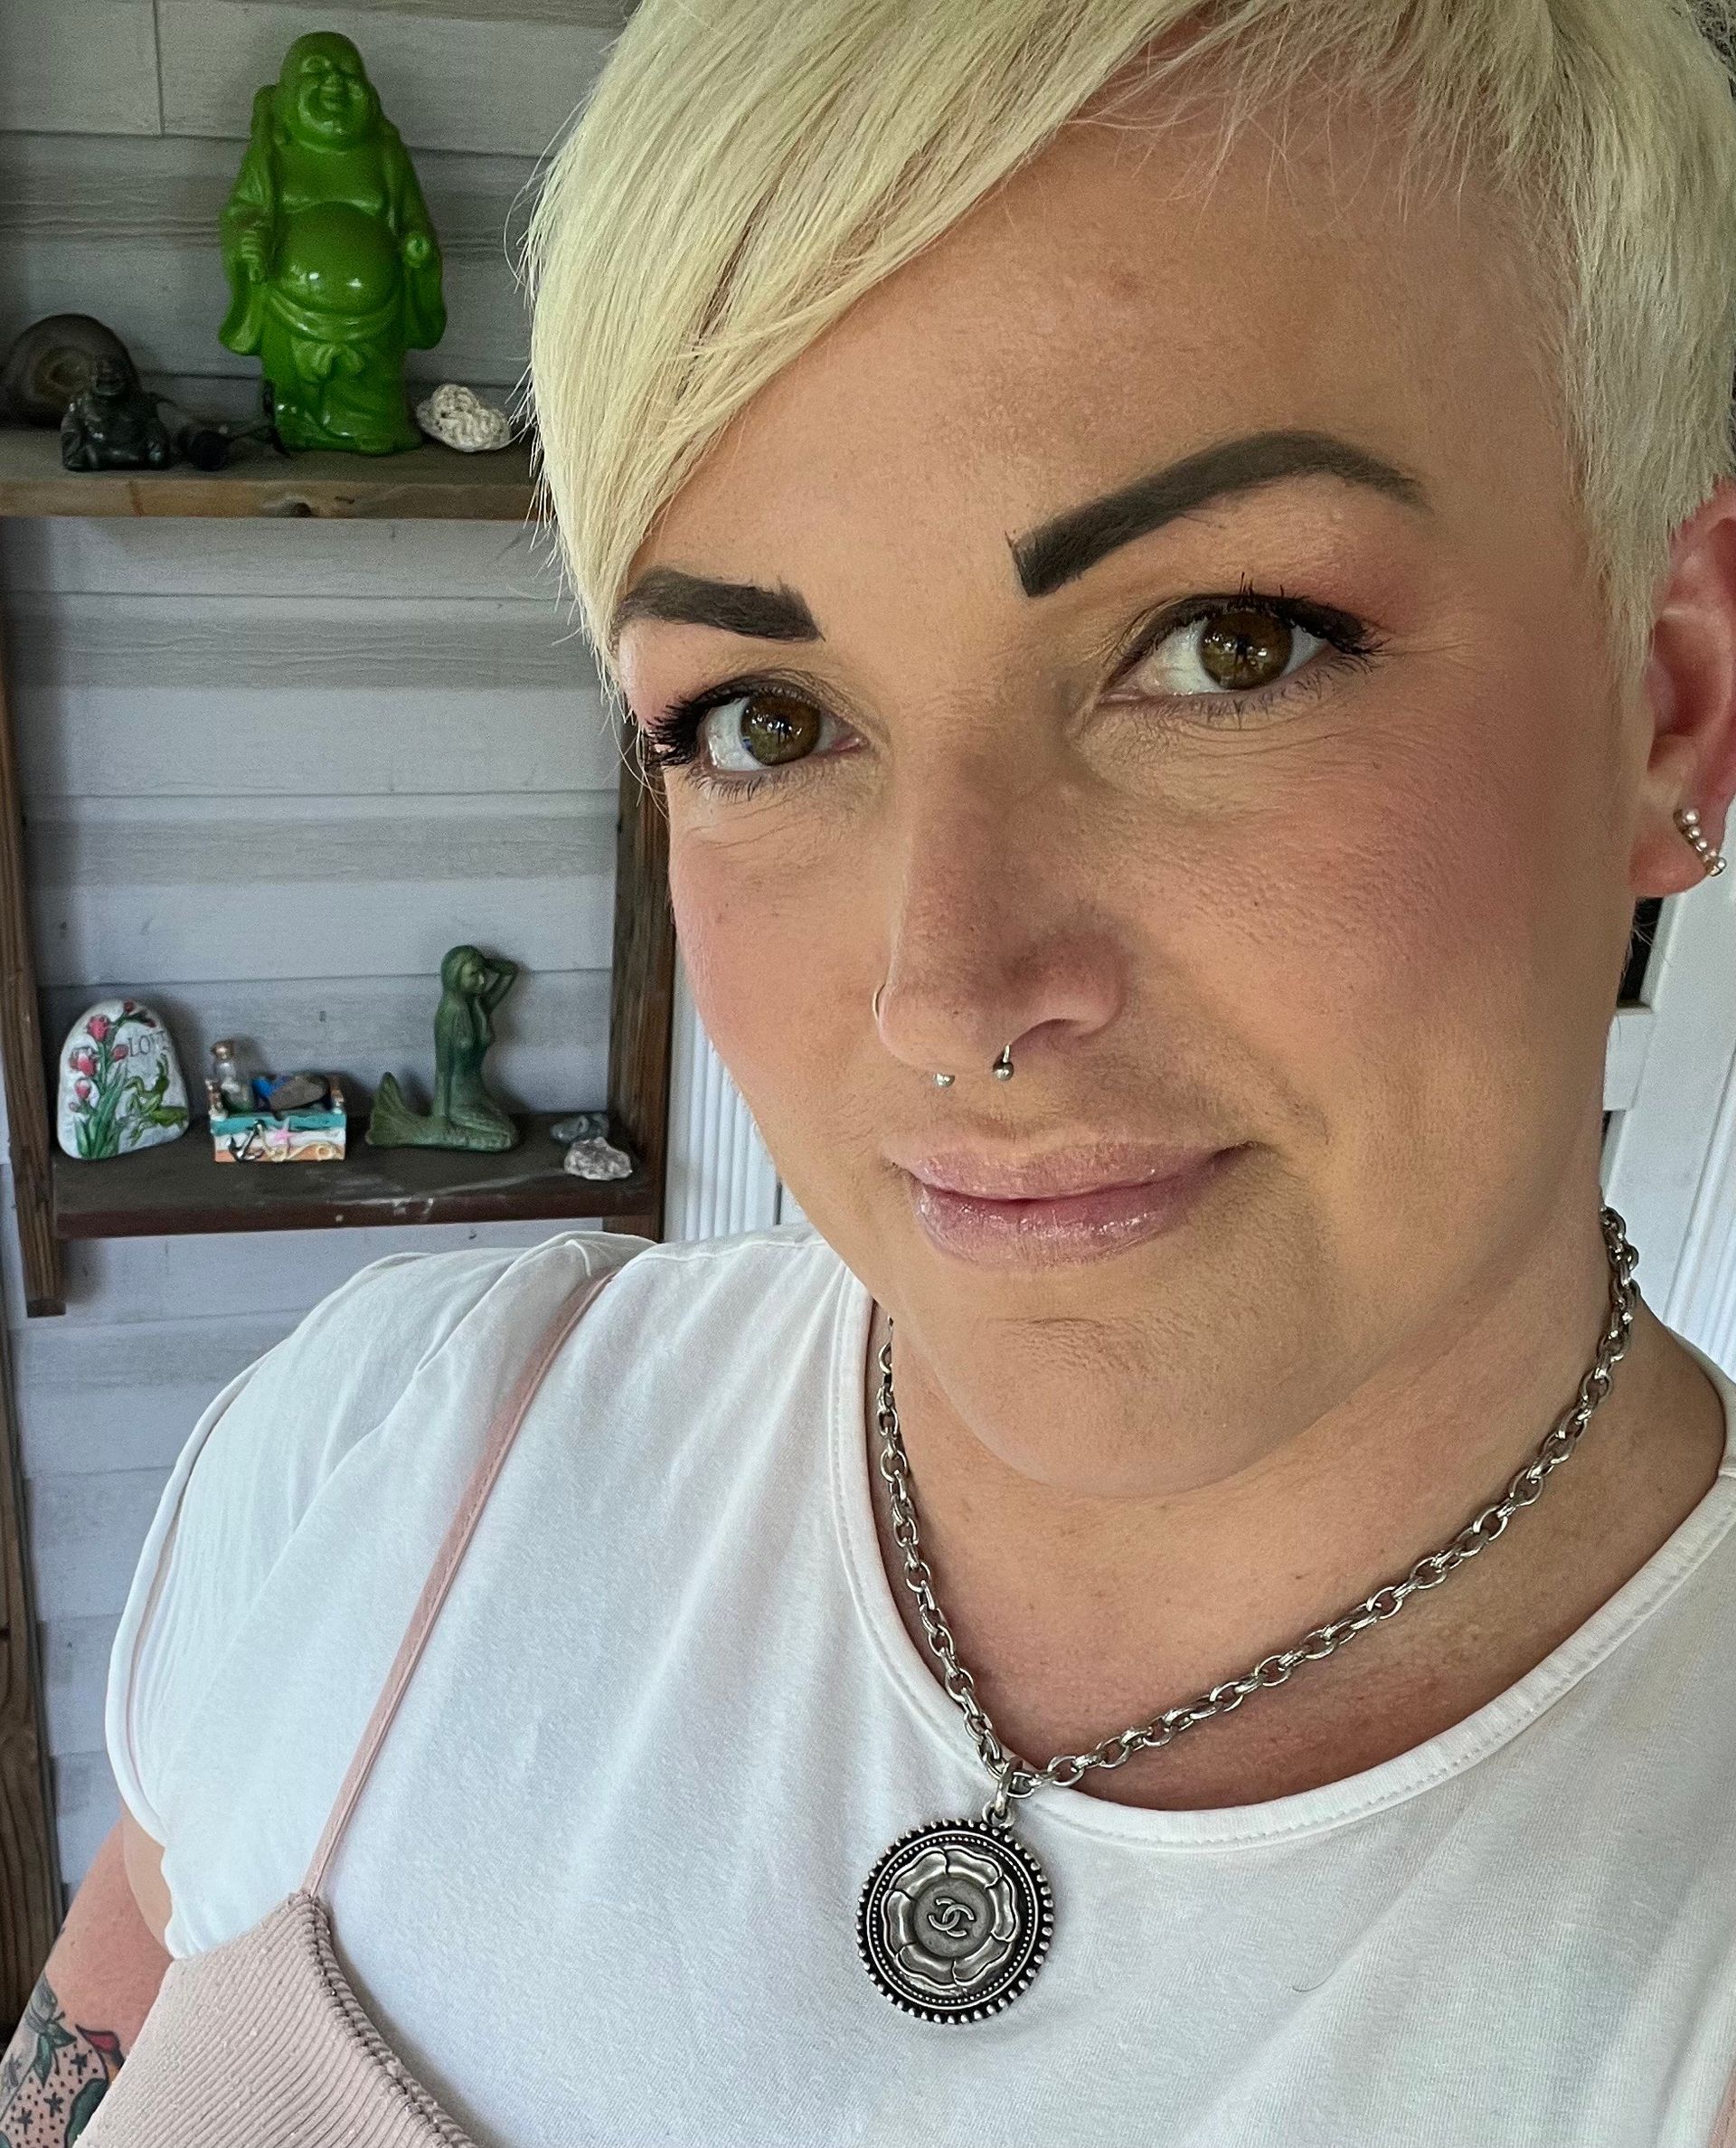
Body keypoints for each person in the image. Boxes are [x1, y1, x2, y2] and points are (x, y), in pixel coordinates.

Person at [9, 0, 1736, 2140]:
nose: (950, 987)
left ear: (1672, 703)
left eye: (1228, 644)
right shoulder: (394, 1451)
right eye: (765, 718)